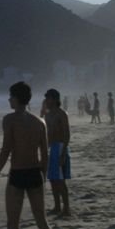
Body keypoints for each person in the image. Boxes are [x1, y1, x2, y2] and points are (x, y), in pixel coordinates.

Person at [0, 81, 59, 229]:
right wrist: (43, 177)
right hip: (35, 174)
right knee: (42, 221)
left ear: (17, 98)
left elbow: (6, 149)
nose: (9, 100)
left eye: (11, 96)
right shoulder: (39, 122)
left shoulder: (9, 120)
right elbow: (44, 154)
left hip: (18, 174)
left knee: (13, 224)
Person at [43, 88, 71, 217]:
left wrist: (64, 152)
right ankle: (57, 206)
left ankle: (66, 207)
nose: (46, 101)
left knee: (60, 180)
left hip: (60, 146)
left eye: (48, 98)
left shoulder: (61, 114)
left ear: (54, 99)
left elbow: (67, 133)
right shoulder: (47, 114)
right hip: (51, 147)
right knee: (53, 179)